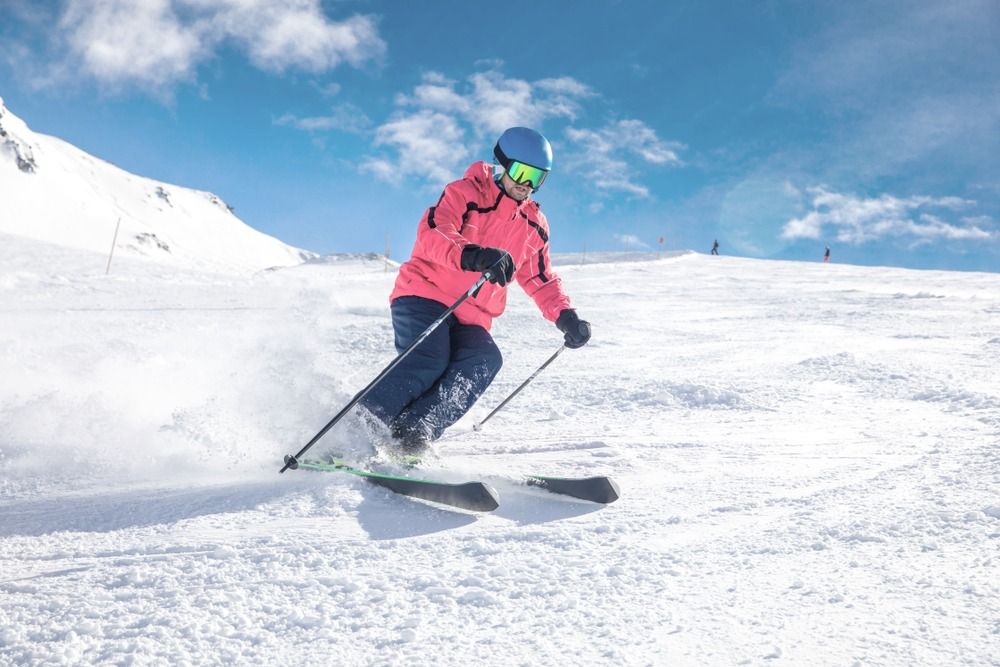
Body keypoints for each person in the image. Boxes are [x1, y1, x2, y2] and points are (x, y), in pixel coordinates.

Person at [358, 127, 591, 452]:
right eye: (521, 172)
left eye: (537, 178)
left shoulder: (534, 225)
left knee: (484, 359)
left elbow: (540, 277)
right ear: (503, 164)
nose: (526, 184)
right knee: (430, 357)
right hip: (424, 294)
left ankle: (413, 433)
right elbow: (434, 232)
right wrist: (473, 255)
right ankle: (362, 424)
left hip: (472, 317)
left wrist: (566, 317)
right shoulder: (465, 193)